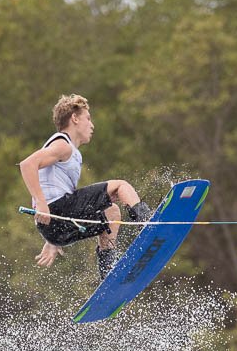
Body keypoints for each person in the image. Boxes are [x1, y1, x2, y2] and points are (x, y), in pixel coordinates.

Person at [19, 94, 153, 278]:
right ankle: (148, 225)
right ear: (74, 118)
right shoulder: (63, 145)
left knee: (111, 213)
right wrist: (42, 204)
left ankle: (107, 272)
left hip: (53, 228)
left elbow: (51, 185)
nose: (92, 125)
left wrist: (52, 238)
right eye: (88, 119)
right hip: (56, 210)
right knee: (120, 185)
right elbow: (27, 165)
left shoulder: (72, 153)